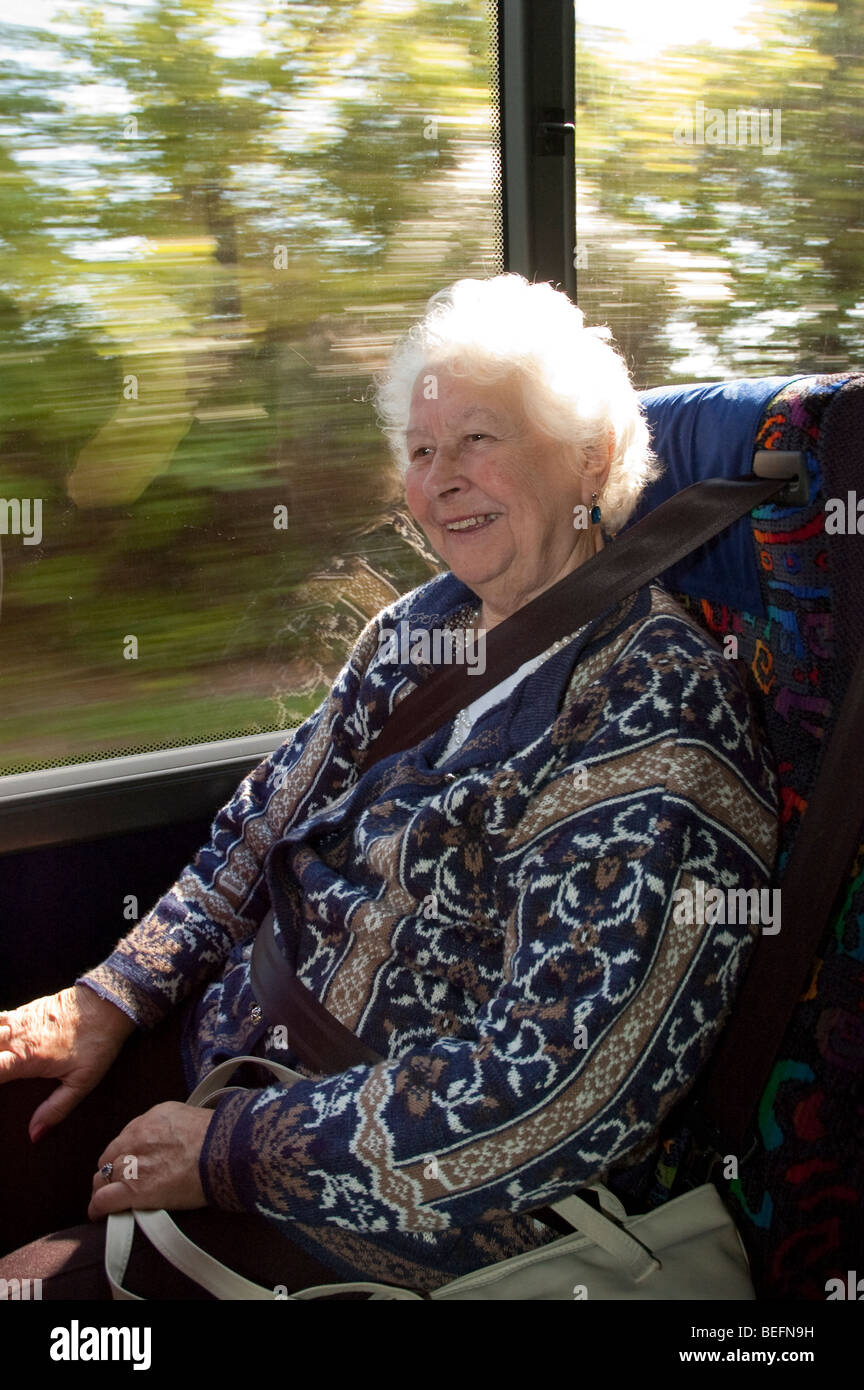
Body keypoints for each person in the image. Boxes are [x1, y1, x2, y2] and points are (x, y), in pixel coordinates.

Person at [0, 274, 778, 1299]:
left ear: (590, 458)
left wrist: (232, 1149)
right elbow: (257, 828)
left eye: (479, 440)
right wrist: (113, 996)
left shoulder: (653, 708)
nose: (441, 479)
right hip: (226, 1057)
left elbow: (569, 1092)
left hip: (405, 1203)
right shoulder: (419, 630)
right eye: (421, 451)